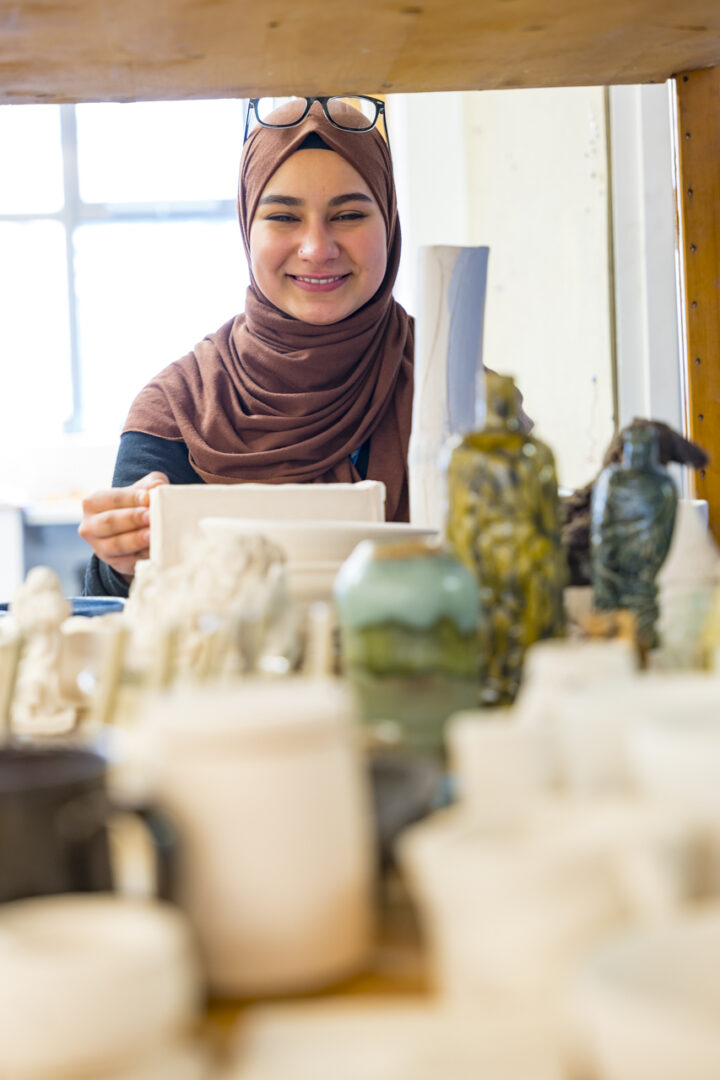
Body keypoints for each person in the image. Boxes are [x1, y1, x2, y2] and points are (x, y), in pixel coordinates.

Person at [80, 96, 414, 598]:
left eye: (347, 215)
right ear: (246, 228)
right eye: (283, 217)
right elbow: (116, 610)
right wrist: (124, 556)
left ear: (388, 220)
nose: (317, 248)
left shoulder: (455, 388)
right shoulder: (179, 409)